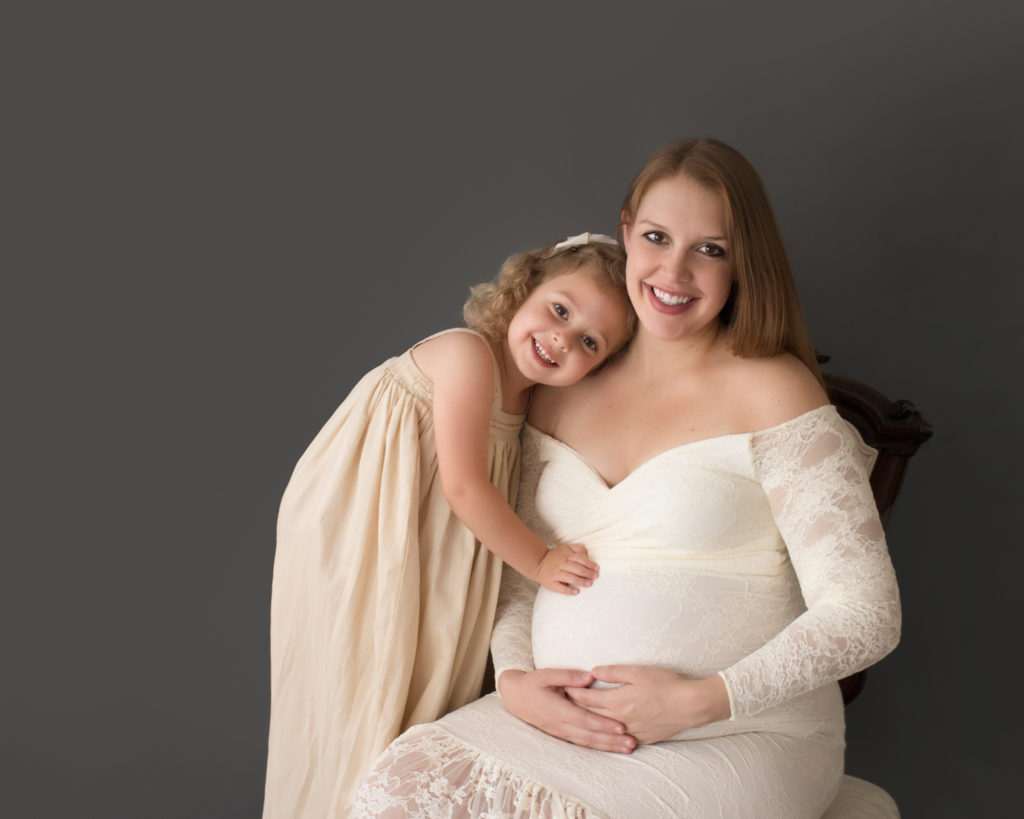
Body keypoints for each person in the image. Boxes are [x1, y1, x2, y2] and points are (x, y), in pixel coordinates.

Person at [353, 138, 902, 818]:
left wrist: (694, 701)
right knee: (396, 787)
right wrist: (518, 679)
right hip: (556, 721)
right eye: (656, 236)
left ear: (742, 264)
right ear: (626, 233)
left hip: (739, 730)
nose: (674, 271)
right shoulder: (562, 385)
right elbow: (526, 571)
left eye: (711, 249)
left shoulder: (774, 392)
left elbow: (866, 614)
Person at [262, 233, 635, 818]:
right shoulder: (468, 354)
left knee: (418, 687)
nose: (561, 338)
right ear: (524, 288)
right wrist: (539, 562)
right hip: (367, 525)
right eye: (559, 309)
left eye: (589, 340)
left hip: (433, 542)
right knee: (355, 682)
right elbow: (463, 485)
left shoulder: (530, 405)